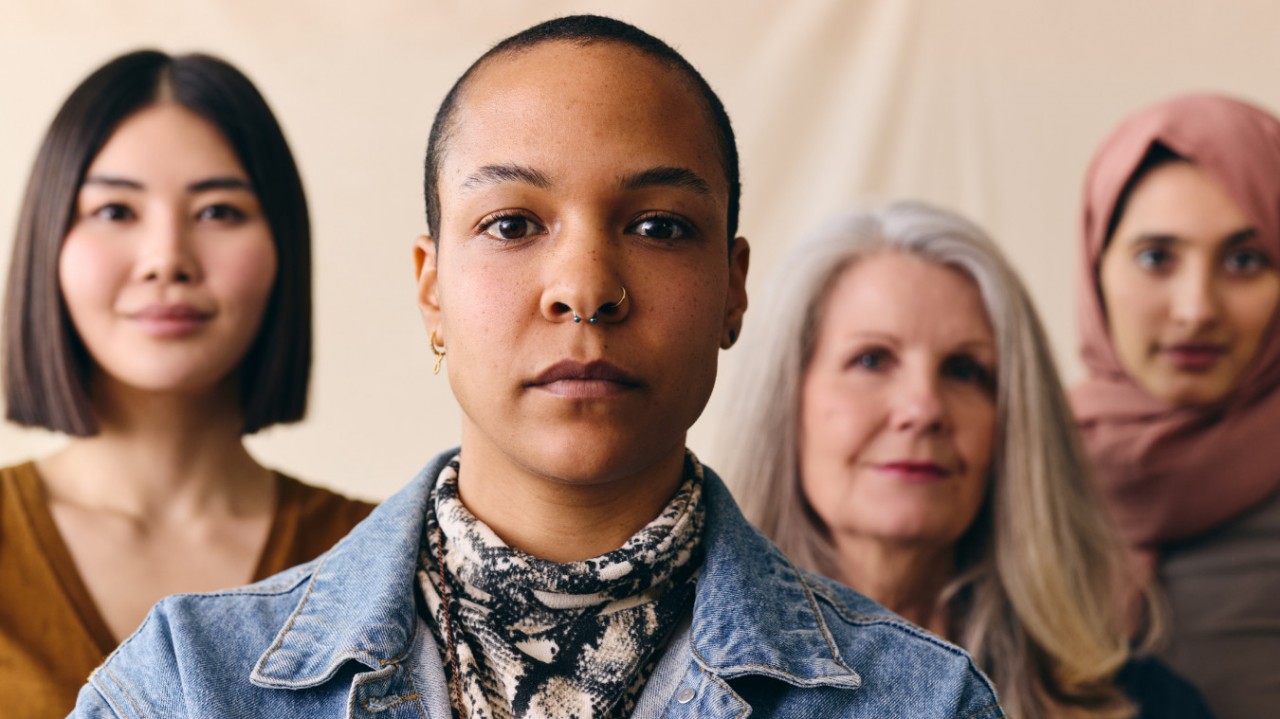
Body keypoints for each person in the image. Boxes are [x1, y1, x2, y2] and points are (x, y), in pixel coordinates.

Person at [69, 16, 1005, 719]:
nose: (585, 290)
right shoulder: (189, 682)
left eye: (658, 227)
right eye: (513, 225)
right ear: (431, 288)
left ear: (732, 287)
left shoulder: (917, 699)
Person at [720, 202, 1212, 719]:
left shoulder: (1147, 703)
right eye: (871, 360)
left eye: (965, 370)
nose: (924, 408)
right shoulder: (674, 680)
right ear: (786, 403)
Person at [0, 51, 374, 719]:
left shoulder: (379, 557)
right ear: (47, 242)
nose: (167, 257)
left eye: (219, 211)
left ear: (282, 245)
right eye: (115, 210)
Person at [1072, 93, 1280, 719]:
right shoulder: (1015, 462)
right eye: (1156, 257)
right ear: (1095, 265)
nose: (1196, 309)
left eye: (1244, 260)